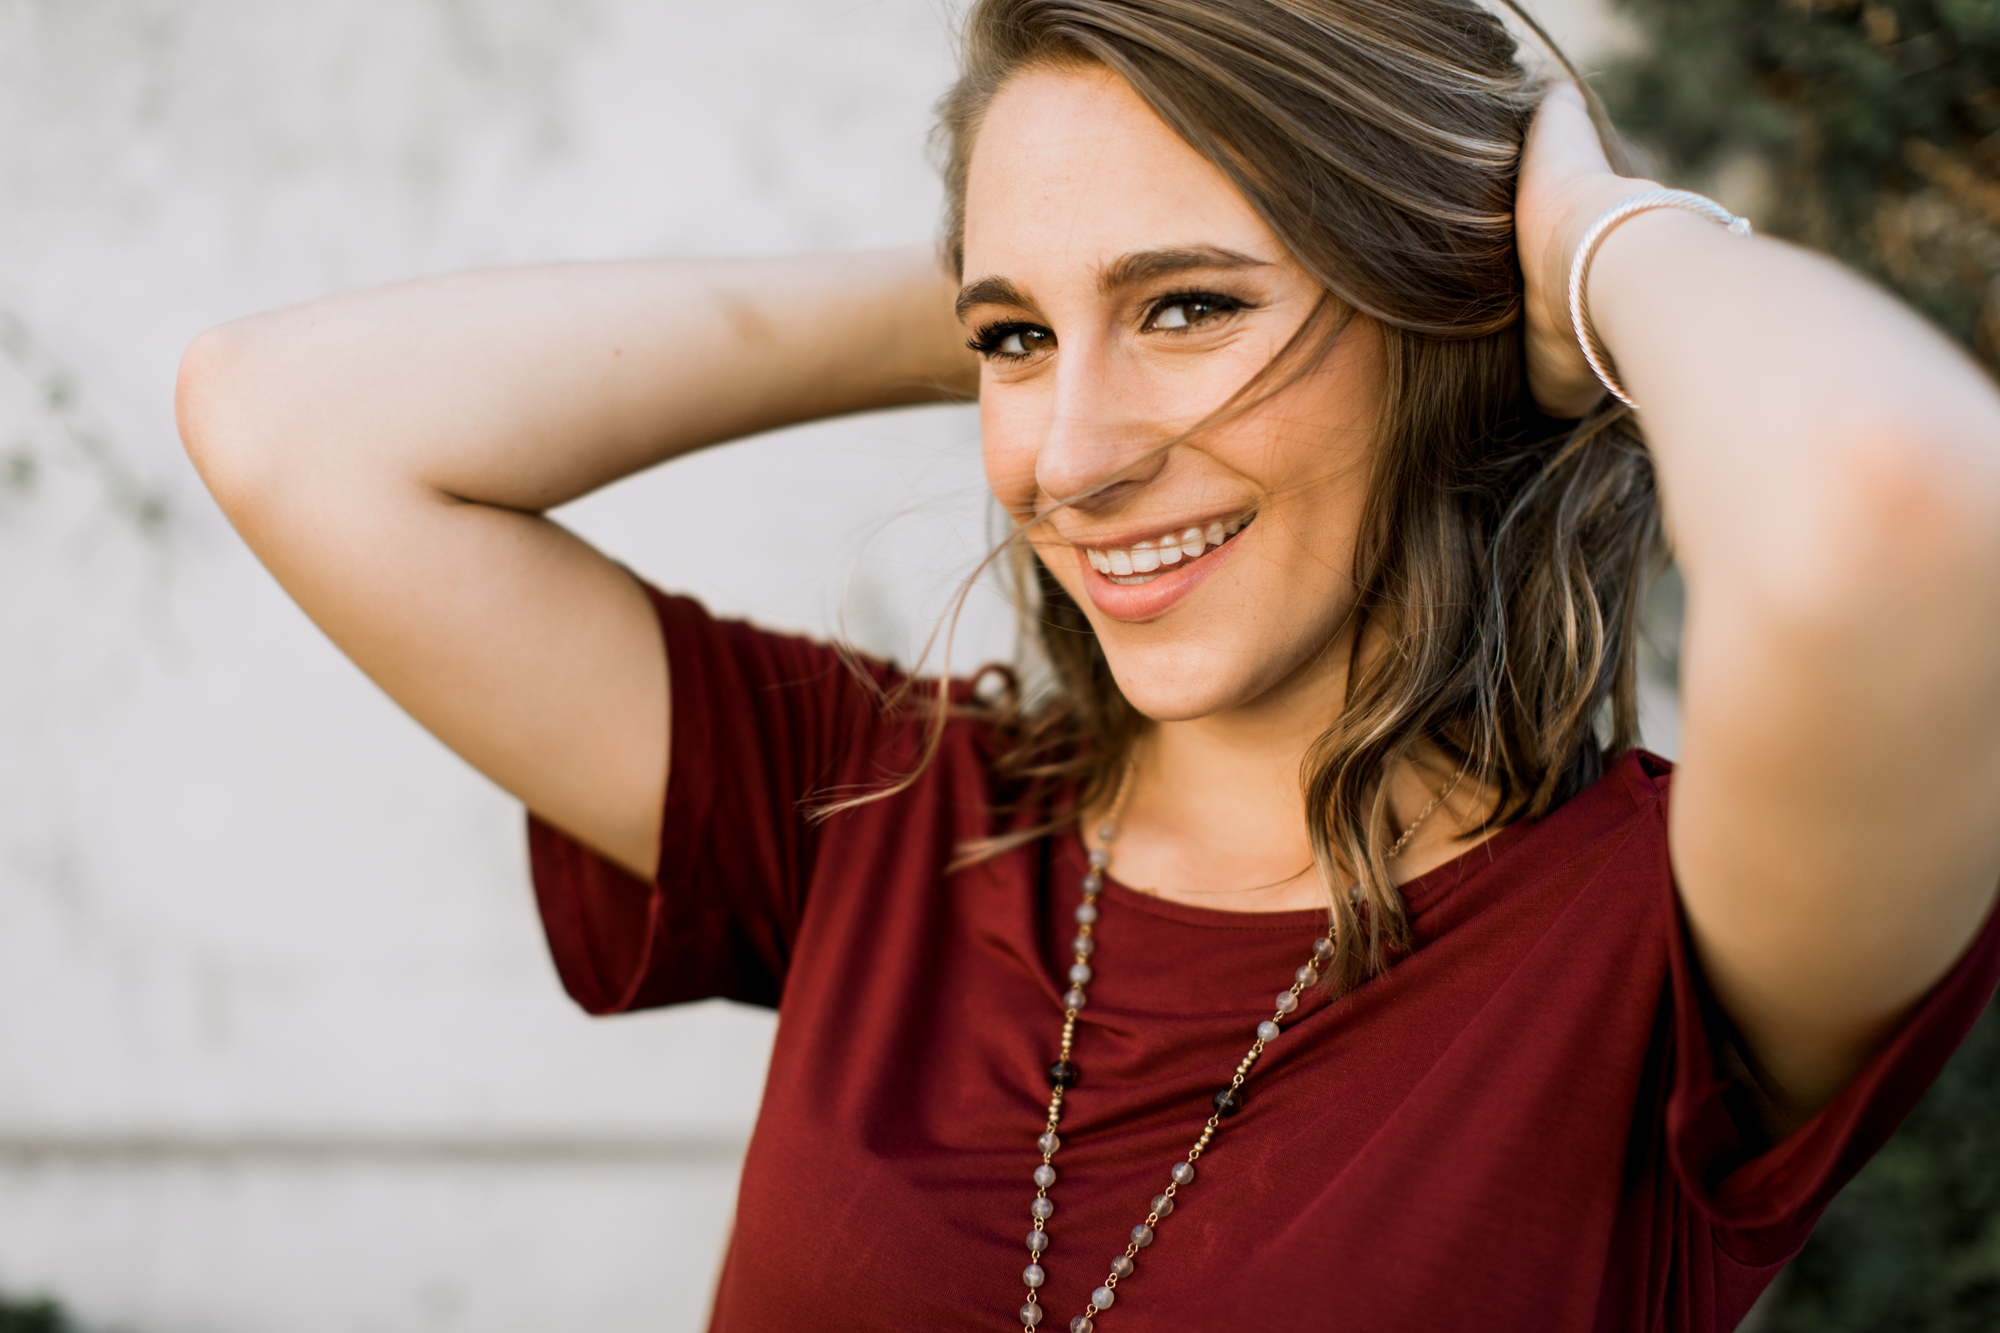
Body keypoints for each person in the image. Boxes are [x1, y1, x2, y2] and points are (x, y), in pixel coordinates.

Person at [175, 0, 2000, 1328]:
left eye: (1197, 308)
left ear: (1454, 315)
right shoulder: (887, 809)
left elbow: (1908, 502)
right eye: (1011, 344)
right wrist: (1027, 277)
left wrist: (1591, 252)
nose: (1068, 455)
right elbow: (284, 420)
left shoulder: (1672, 943)